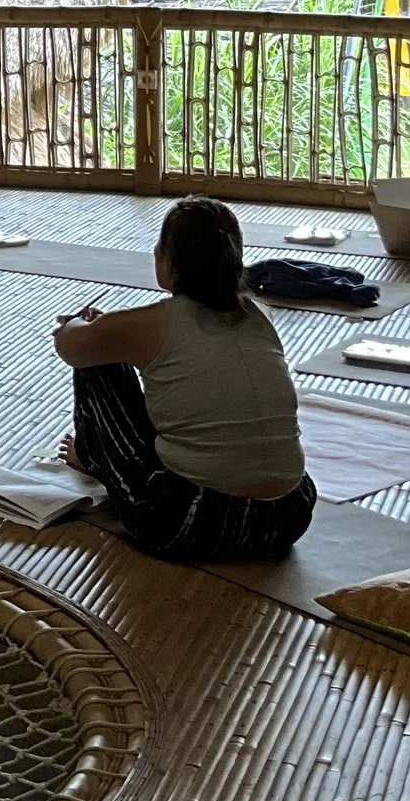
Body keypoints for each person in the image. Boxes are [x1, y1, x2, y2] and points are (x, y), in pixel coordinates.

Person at [55, 198, 315, 563]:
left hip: (191, 523)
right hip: (290, 516)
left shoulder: (159, 320)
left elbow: (70, 345)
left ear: (169, 262)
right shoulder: (257, 312)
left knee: (96, 363)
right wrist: (112, 331)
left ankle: (91, 455)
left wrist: (88, 325)